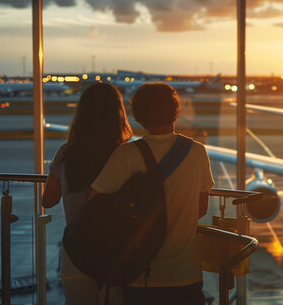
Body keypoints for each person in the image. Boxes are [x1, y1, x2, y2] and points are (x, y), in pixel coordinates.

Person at [90, 82, 215, 305]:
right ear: (176, 112)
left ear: (138, 117)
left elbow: (95, 206)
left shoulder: (126, 155)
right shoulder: (197, 152)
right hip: (186, 275)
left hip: (140, 276)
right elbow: (201, 208)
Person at [43, 82, 133, 305]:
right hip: (116, 249)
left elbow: (48, 200)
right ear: (118, 114)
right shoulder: (125, 155)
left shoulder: (66, 153)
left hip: (76, 248)